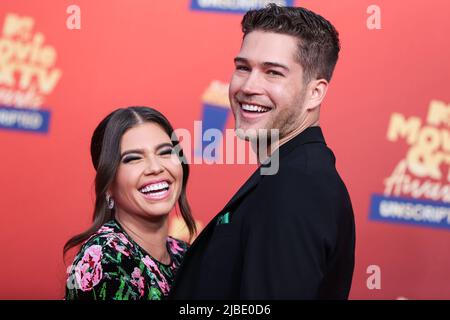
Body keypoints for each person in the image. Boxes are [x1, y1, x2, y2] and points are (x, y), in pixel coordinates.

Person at [170, 4, 355, 299]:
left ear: (315, 92)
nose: (248, 86)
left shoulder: (296, 186)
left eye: (273, 73)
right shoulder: (288, 173)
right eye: (243, 68)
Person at [64, 106, 196, 300]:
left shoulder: (184, 254)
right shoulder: (105, 259)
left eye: (165, 152)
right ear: (108, 184)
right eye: (133, 158)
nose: (155, 167)